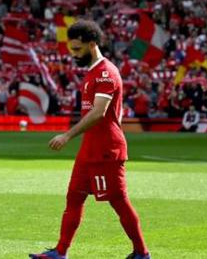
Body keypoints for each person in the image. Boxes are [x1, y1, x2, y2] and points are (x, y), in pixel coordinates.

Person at [29, 19, 150, 259]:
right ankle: (60, 252)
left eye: (78, 49)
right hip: (90, 148)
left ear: (92, 44)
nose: (74, 54)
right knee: (74, 197)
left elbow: (99, 113)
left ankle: (142, 253)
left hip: (106, 150)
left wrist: (67, 135)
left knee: (118, 201)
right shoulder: (93, 72)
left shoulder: (105, 73)